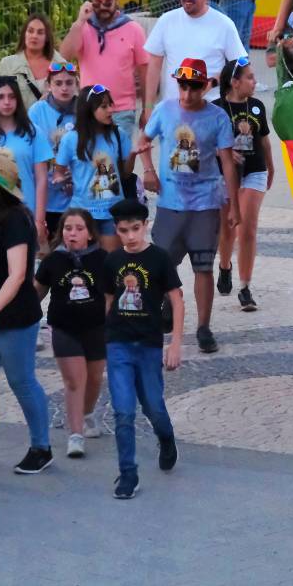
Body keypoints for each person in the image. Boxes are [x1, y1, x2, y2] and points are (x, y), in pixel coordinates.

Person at [139, 58, 237, 354]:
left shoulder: (218, 117)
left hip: (205, 203)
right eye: (183, 86)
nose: (187, 93)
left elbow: (228, 162)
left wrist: (233, 206)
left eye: (194, 87)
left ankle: (203, 327)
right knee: (161, 264)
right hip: (170, 203)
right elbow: (143, 140)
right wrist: (148, 171)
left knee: (203, 267)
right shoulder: (165, 110)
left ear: (206, 86)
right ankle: (167, 301)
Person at [101, 198, 183, 500]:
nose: (131, 236)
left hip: (149, 345)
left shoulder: (160, 259)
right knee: (123, 411)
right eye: (124, 231)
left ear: (145, 226)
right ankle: (128, 473)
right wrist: (104, 338)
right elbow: (109, 300)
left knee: (153, 406)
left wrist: (175, 343)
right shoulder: (112, 261)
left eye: (136, 229)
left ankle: (166, 436)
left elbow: (176, 299)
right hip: (118, 344)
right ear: (116, 230)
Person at [0, 145, 51, 474]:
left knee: (21, 381)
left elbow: (17, 276)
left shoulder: (16, 219)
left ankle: (41, 446)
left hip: (14, 316)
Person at [34, 208, 108, 458]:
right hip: (64, 328)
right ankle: (75, 435)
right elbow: (38, 292)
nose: (72, 233)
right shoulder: (54, 260)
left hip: (97, 328)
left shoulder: (101, 258)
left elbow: (111, 295)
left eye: (78, 228)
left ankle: (87, 413)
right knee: (74, 382)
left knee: (95, 378)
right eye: (67, 228)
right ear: (61, 232)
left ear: (89, 234)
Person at [57, 0, 150, 149]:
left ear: (117, 0)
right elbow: (64, 56)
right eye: (97, 3)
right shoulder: (84, 28)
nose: (103, 7)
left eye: (108, 3)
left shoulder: (133, 29)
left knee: (120, 164)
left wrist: (146, 108)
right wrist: (79, 22)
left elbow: (144, 72)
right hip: (89, 110)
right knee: (90, 162)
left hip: (122, 111)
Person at [214, 58, 274, 312]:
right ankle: (224, 266)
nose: (254, 81)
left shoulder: (257, 106)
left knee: (247, 228)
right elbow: (207, 145)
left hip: (254, 171)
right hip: (224, 176)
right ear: (234, 82)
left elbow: (264, 141)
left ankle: (245, 287)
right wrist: (224, 154)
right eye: (249, 77)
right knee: (227, 229)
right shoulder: (215, 109)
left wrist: (271, 167)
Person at [143, 0, 247, 114]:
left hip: (210, 111)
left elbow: (239, 64)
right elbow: (154, 66)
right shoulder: (167, 20)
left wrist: (213, 82)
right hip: (172, 111)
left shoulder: (224, 24)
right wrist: (148, 108)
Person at [55, 86, 130, 251]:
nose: (110, 110)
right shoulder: (70, 139)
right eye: (104, 106)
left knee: (109, 265)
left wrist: (135, 154)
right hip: (81, 213)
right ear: (88, 110)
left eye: (111, 104)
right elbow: (59, 171)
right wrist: (64, 180)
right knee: (80, 266)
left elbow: (126, 173)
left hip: (113, 211)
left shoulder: (119, 134)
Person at [0, 77, 51, 246]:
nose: (7, 102)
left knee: (23, 269)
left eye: (12, 96)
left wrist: (39, 221)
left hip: (24, 214)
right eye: (0, 97)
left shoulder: (33, 132)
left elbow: (41, 179)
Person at [28, 64, 79, 238]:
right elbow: (30, 150)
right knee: (46, 250)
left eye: (69, 82)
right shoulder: (36, 111)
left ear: (76, 84)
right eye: (58, 83)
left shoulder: (84, 111)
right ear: (48, 85)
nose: (64, 88)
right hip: (46, 195)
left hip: (76, 196)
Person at [0, 14, 68, 111]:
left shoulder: (61, 64)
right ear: (24, 34)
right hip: (18, 125)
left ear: (47, 38)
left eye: (40, 32)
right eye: (30, 31)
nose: (34, 36)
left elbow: (73, 102)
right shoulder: (7, 65)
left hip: (53, 125)